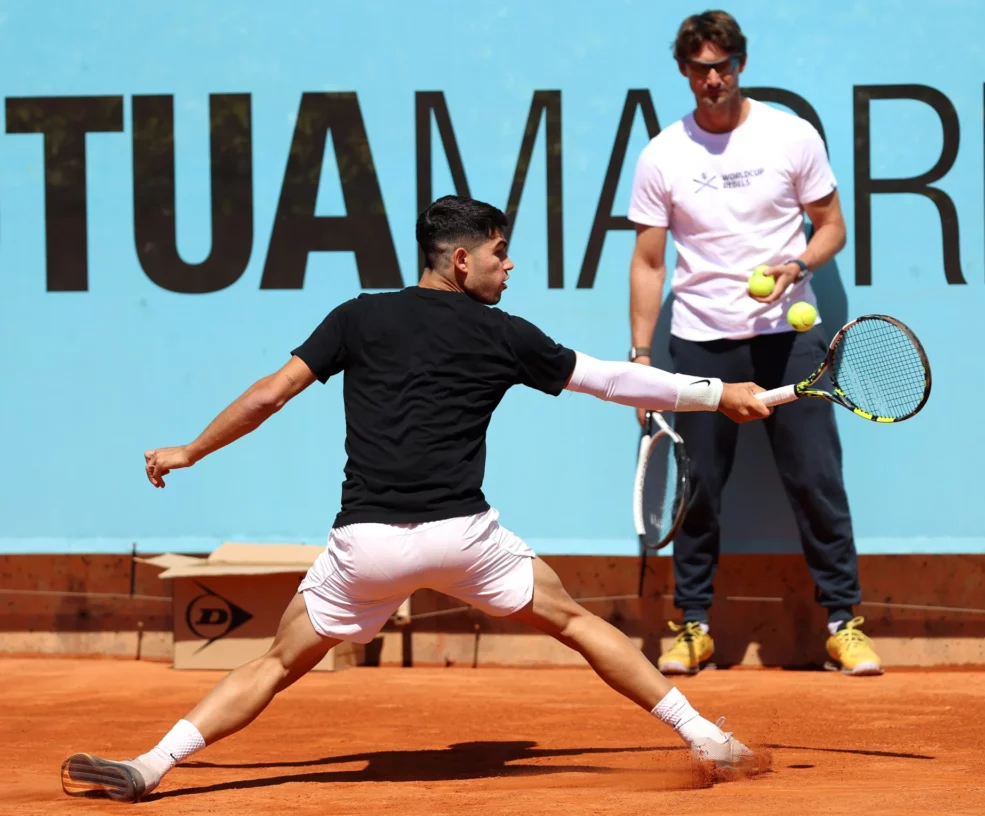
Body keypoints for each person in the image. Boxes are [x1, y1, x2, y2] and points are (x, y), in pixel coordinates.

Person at [60, 194, 773, 803]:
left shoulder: (358, 318)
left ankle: (151, 765)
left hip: (363, 547)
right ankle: (709, 739)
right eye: (500, 252)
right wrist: (718, 394)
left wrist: (190, 450)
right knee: (576, 623)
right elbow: (612, 381)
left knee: (275, 663)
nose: (510, 265)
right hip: (463, 538)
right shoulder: (505, 335)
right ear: (461, 261)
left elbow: (270, 396)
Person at [626, 10, 883, 677]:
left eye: (725, 66)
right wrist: (642, 358)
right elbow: (650, 263)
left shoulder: (789, 136)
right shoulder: (662, 154)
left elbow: (831, 227)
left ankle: (843, 622)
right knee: (698, 488)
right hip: (702, 342)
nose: (713, 80)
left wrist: (797, 268)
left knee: (816, 479)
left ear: (741, 65)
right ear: (684, 73)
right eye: (701, 69)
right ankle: (693, 627)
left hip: (787, 340)